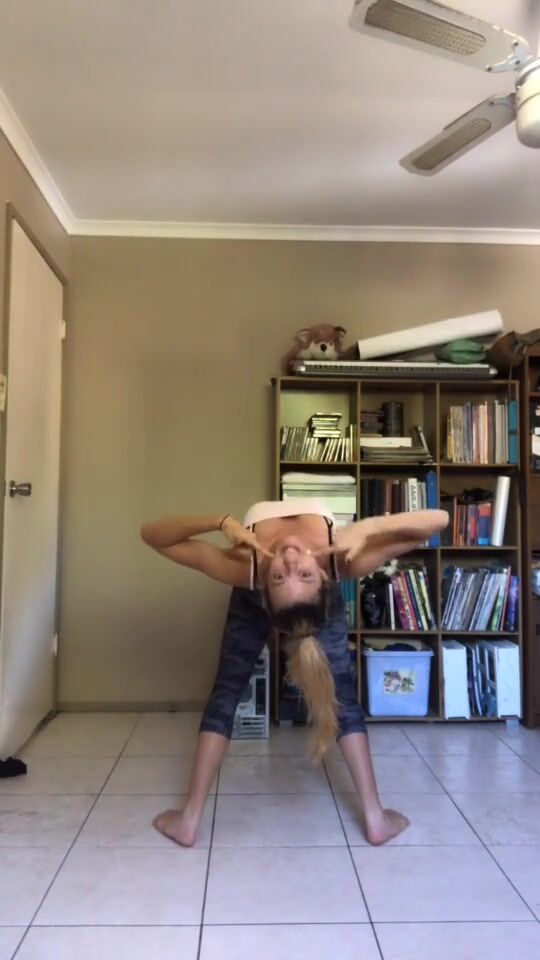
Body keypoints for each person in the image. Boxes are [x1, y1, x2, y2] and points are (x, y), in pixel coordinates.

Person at [141, 500, 448, 847]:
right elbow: (438, 520)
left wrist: (369, 527)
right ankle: (375, 818)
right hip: (301, 596)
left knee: (336, 696)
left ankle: (189, 821)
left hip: (303, 601)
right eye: (298, 574)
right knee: (230, 691)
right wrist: (220, 520)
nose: (289, 559)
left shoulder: (248, 567)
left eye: (285, 575)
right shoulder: (339, 559)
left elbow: (152, 536)